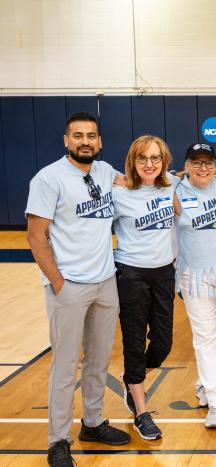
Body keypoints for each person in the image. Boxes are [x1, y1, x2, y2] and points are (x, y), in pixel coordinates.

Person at [26, 112, 130, 467]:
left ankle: (93, 423)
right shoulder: (49, 178)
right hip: (68, 285)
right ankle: (58, 441)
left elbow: (148, 179)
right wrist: (57, 281)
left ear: (99, 142)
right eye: (78, 136)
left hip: (105, 282)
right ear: (66, 141)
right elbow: (36, 235)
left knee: (99, 360)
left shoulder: (104, 171)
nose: (85, 141)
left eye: (91, 135)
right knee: (65, 366)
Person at [112, 135, 176, 440]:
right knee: (134, 343)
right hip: (131, 274)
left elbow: (201, 171)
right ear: (133, 162)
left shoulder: (172, 185)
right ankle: (141, 412)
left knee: (163, 344)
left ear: (164, 161)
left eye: (155, 158)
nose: (149, 164)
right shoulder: (118, 193)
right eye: (142, 158)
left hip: (164, 273)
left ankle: (131, 378)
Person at [173, 143, 216, 429]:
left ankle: (203, 384)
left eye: (208, 163)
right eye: (196, 163)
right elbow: (148, 176)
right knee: (206, 337)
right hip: (193, 276)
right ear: (186, 166)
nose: (203, 168)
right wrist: (175, 174)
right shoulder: (172, 189)